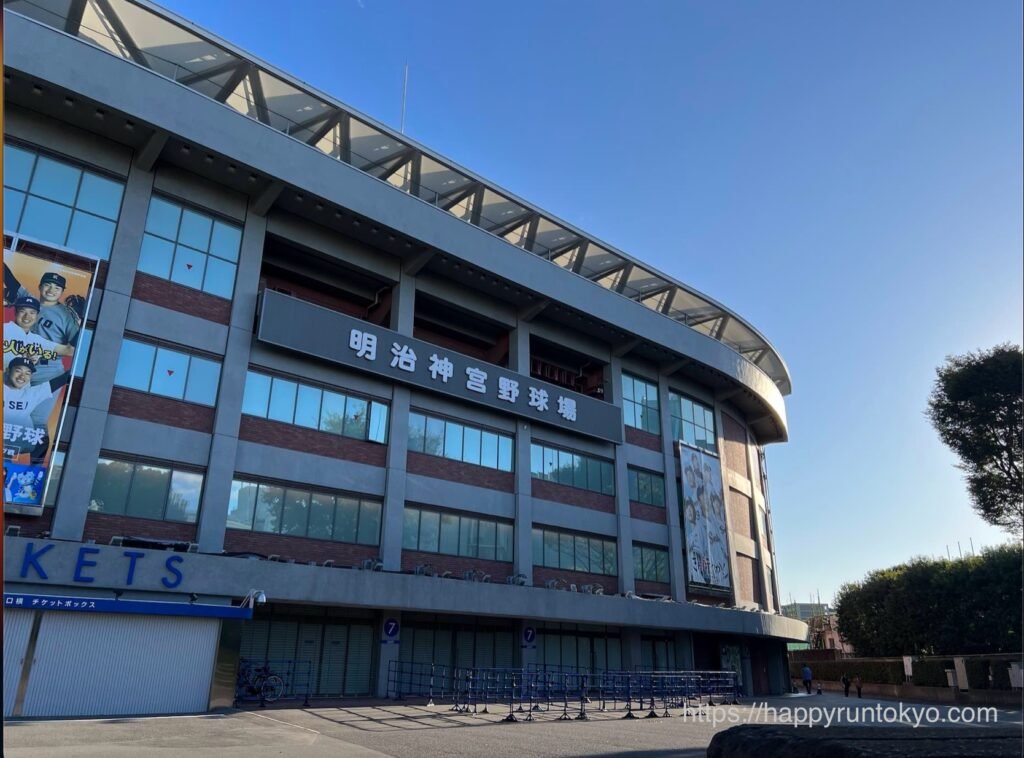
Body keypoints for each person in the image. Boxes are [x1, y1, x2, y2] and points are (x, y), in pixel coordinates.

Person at [4, 264, 84, 426]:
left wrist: (81, 322)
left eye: (57, 287)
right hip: (19, 371)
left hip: (47, 375)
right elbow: (10, 281)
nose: (51, 290)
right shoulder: (29, 301)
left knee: (37, 423)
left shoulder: (66, 317)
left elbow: (75, 349)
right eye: (47, 285)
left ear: (62, 292)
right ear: (40, 287)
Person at [3, 357, 71, 465]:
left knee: (42, 438)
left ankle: (34, 470)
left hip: (21, 440)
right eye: (18, 371)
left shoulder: (32, 393)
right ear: (8, 370)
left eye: (27, 373)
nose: (22, 376)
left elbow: (61, 379)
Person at [4, 296, 74, 369]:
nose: (27, 316)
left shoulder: (36, 340)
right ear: (15, 312)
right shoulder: (5, 329)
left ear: (37, 316)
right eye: (22, 311)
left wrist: (79, 324)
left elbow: (69, 351)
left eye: (32, 312)